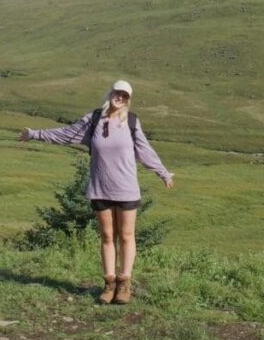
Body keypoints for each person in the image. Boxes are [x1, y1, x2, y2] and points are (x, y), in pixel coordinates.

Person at [18, 79, 174, 305]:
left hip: (127, 189)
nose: (119, 97)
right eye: (116, 92)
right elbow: (65, 134)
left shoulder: (131, 121)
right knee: (108, 237)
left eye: (124, 95)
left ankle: (125, 284)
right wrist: (34, 134)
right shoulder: (92, 120)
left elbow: (144, 150)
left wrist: (163, 173)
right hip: (100, 188)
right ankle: (109, 284)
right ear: (109, 93)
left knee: (127, 236)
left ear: (128, 100)